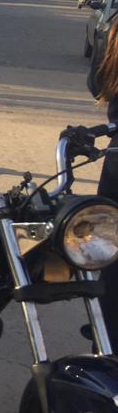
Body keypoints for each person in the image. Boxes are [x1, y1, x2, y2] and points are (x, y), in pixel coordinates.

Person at [87, 25, 118, 330]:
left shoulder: (113, 31)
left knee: (112, 252)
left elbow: (96, 85)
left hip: (116, 160)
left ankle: (106, 333)